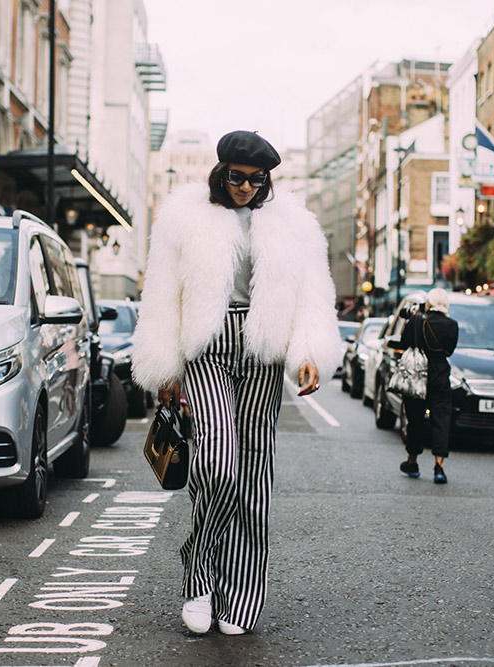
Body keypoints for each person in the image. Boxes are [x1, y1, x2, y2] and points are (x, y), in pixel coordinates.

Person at [130, 130, 341, 636]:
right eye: (236, 177)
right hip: (207, 349)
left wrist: (309, 350)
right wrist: (165, 369)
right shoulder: (183, 216)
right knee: (220, 466)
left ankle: (240, 596)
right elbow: (162, 293)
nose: (245, 187)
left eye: (256, 179)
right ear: (220, 172)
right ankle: (200, 575)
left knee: (254, 480)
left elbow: (314, 291)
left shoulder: (295, 224)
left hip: (262, 351)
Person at [394, 288, 459, 484]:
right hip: (440, 375)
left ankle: (412, 462)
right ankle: (439, 467)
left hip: (417, 375)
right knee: (441, 420)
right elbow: (449, 351)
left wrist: (414, 320)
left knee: (415, 420)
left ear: (428, 303)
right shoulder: (452, 325)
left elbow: (404, 343)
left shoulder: (416, 320)